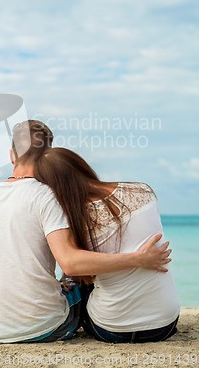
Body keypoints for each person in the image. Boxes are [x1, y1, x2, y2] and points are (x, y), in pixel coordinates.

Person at [0, 120, 172, 344]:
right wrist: (137, 259)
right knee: (79, 279)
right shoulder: (50, 196)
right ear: (50, 156)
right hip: (47, 327)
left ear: (11, 155)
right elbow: (71, 263)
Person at [34, 147, 180, 343]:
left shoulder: (77, 220)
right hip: (165, 324)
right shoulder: (143, 191)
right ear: (82, 166)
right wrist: (138, 259)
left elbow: (73, 269)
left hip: (112, 329)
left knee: (73, 284)